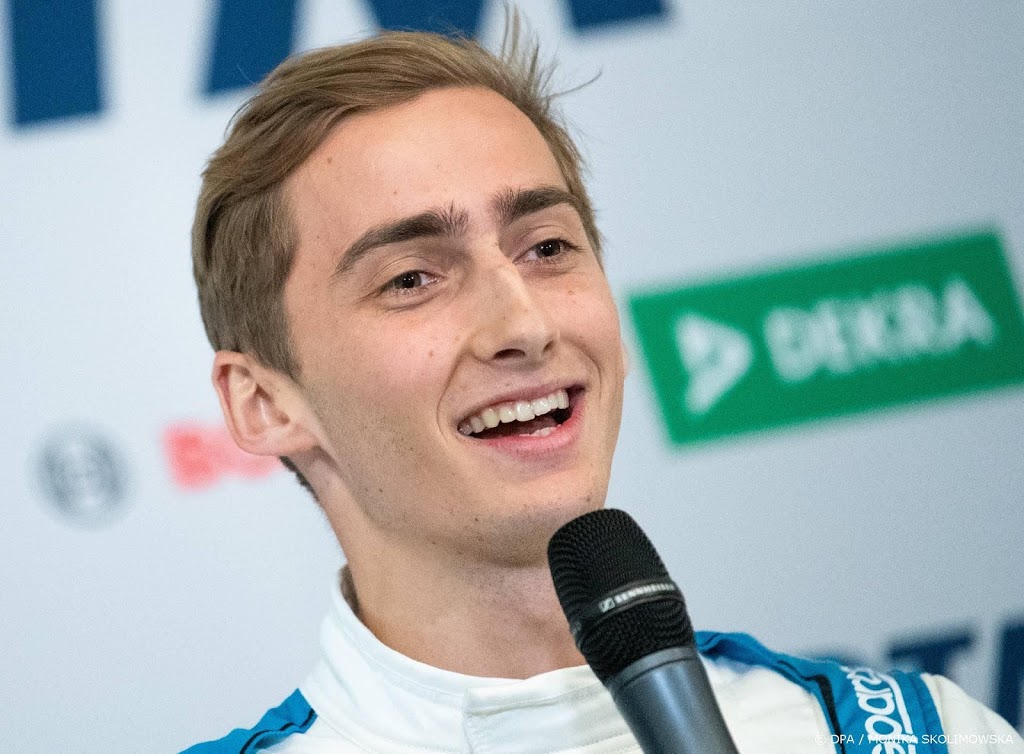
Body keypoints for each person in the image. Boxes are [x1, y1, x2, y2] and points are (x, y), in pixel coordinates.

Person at [184, 22, 1022, 754]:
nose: (523, 324)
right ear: (265, 404)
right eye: (411, 278)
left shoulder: (918, 734)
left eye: (546, 248)